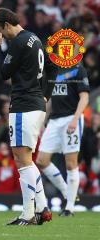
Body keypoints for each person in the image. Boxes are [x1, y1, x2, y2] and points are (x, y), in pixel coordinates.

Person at [0, 8, 57, 225]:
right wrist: (46, 96)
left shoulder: (18, 42)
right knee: (24, 158)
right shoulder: (35, 38)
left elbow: (3, 73)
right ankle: (39, 209)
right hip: (36, 104)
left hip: (23, 105)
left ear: (7, 25)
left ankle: (31, 212)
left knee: (22, 159)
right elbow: (53, 68)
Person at [37, 64, 89, 216]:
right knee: (42, 161)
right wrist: (42, 121)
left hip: (71, 117)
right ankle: (67, 191)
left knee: (71, 163)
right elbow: (51, 99)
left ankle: (70, 207)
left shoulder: (79, 69)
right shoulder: (54, 70)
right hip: (54, 120)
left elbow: (84, 97)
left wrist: (75, 119)